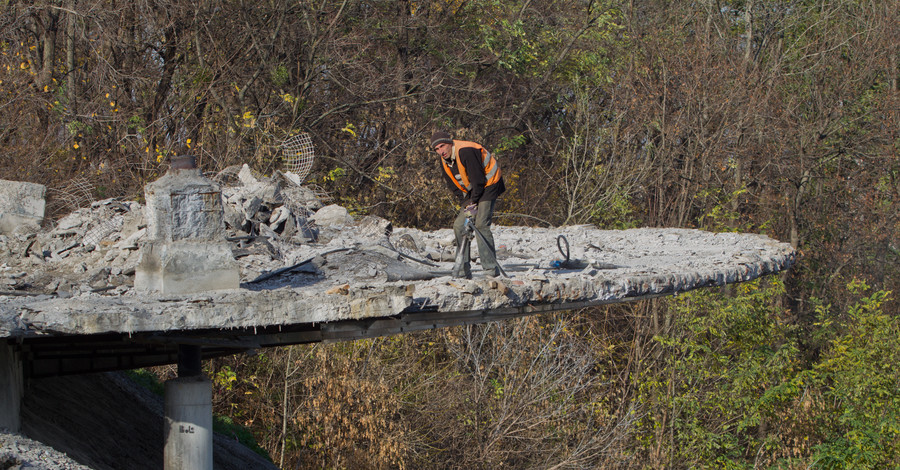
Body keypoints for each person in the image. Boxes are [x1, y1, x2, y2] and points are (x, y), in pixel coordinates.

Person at [430, 130, 505, 278]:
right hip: (473, 193)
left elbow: (478, 180)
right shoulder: (444, 161)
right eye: (437, 149)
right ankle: (463, 271)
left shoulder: (466, 152)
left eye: (442, 146)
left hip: (489, 185)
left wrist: (474, 202)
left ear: (450, 143)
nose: (440, 151)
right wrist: (466, 203)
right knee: (459, 226)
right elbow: (453, 186)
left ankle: (490, 270)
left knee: (481, 224)